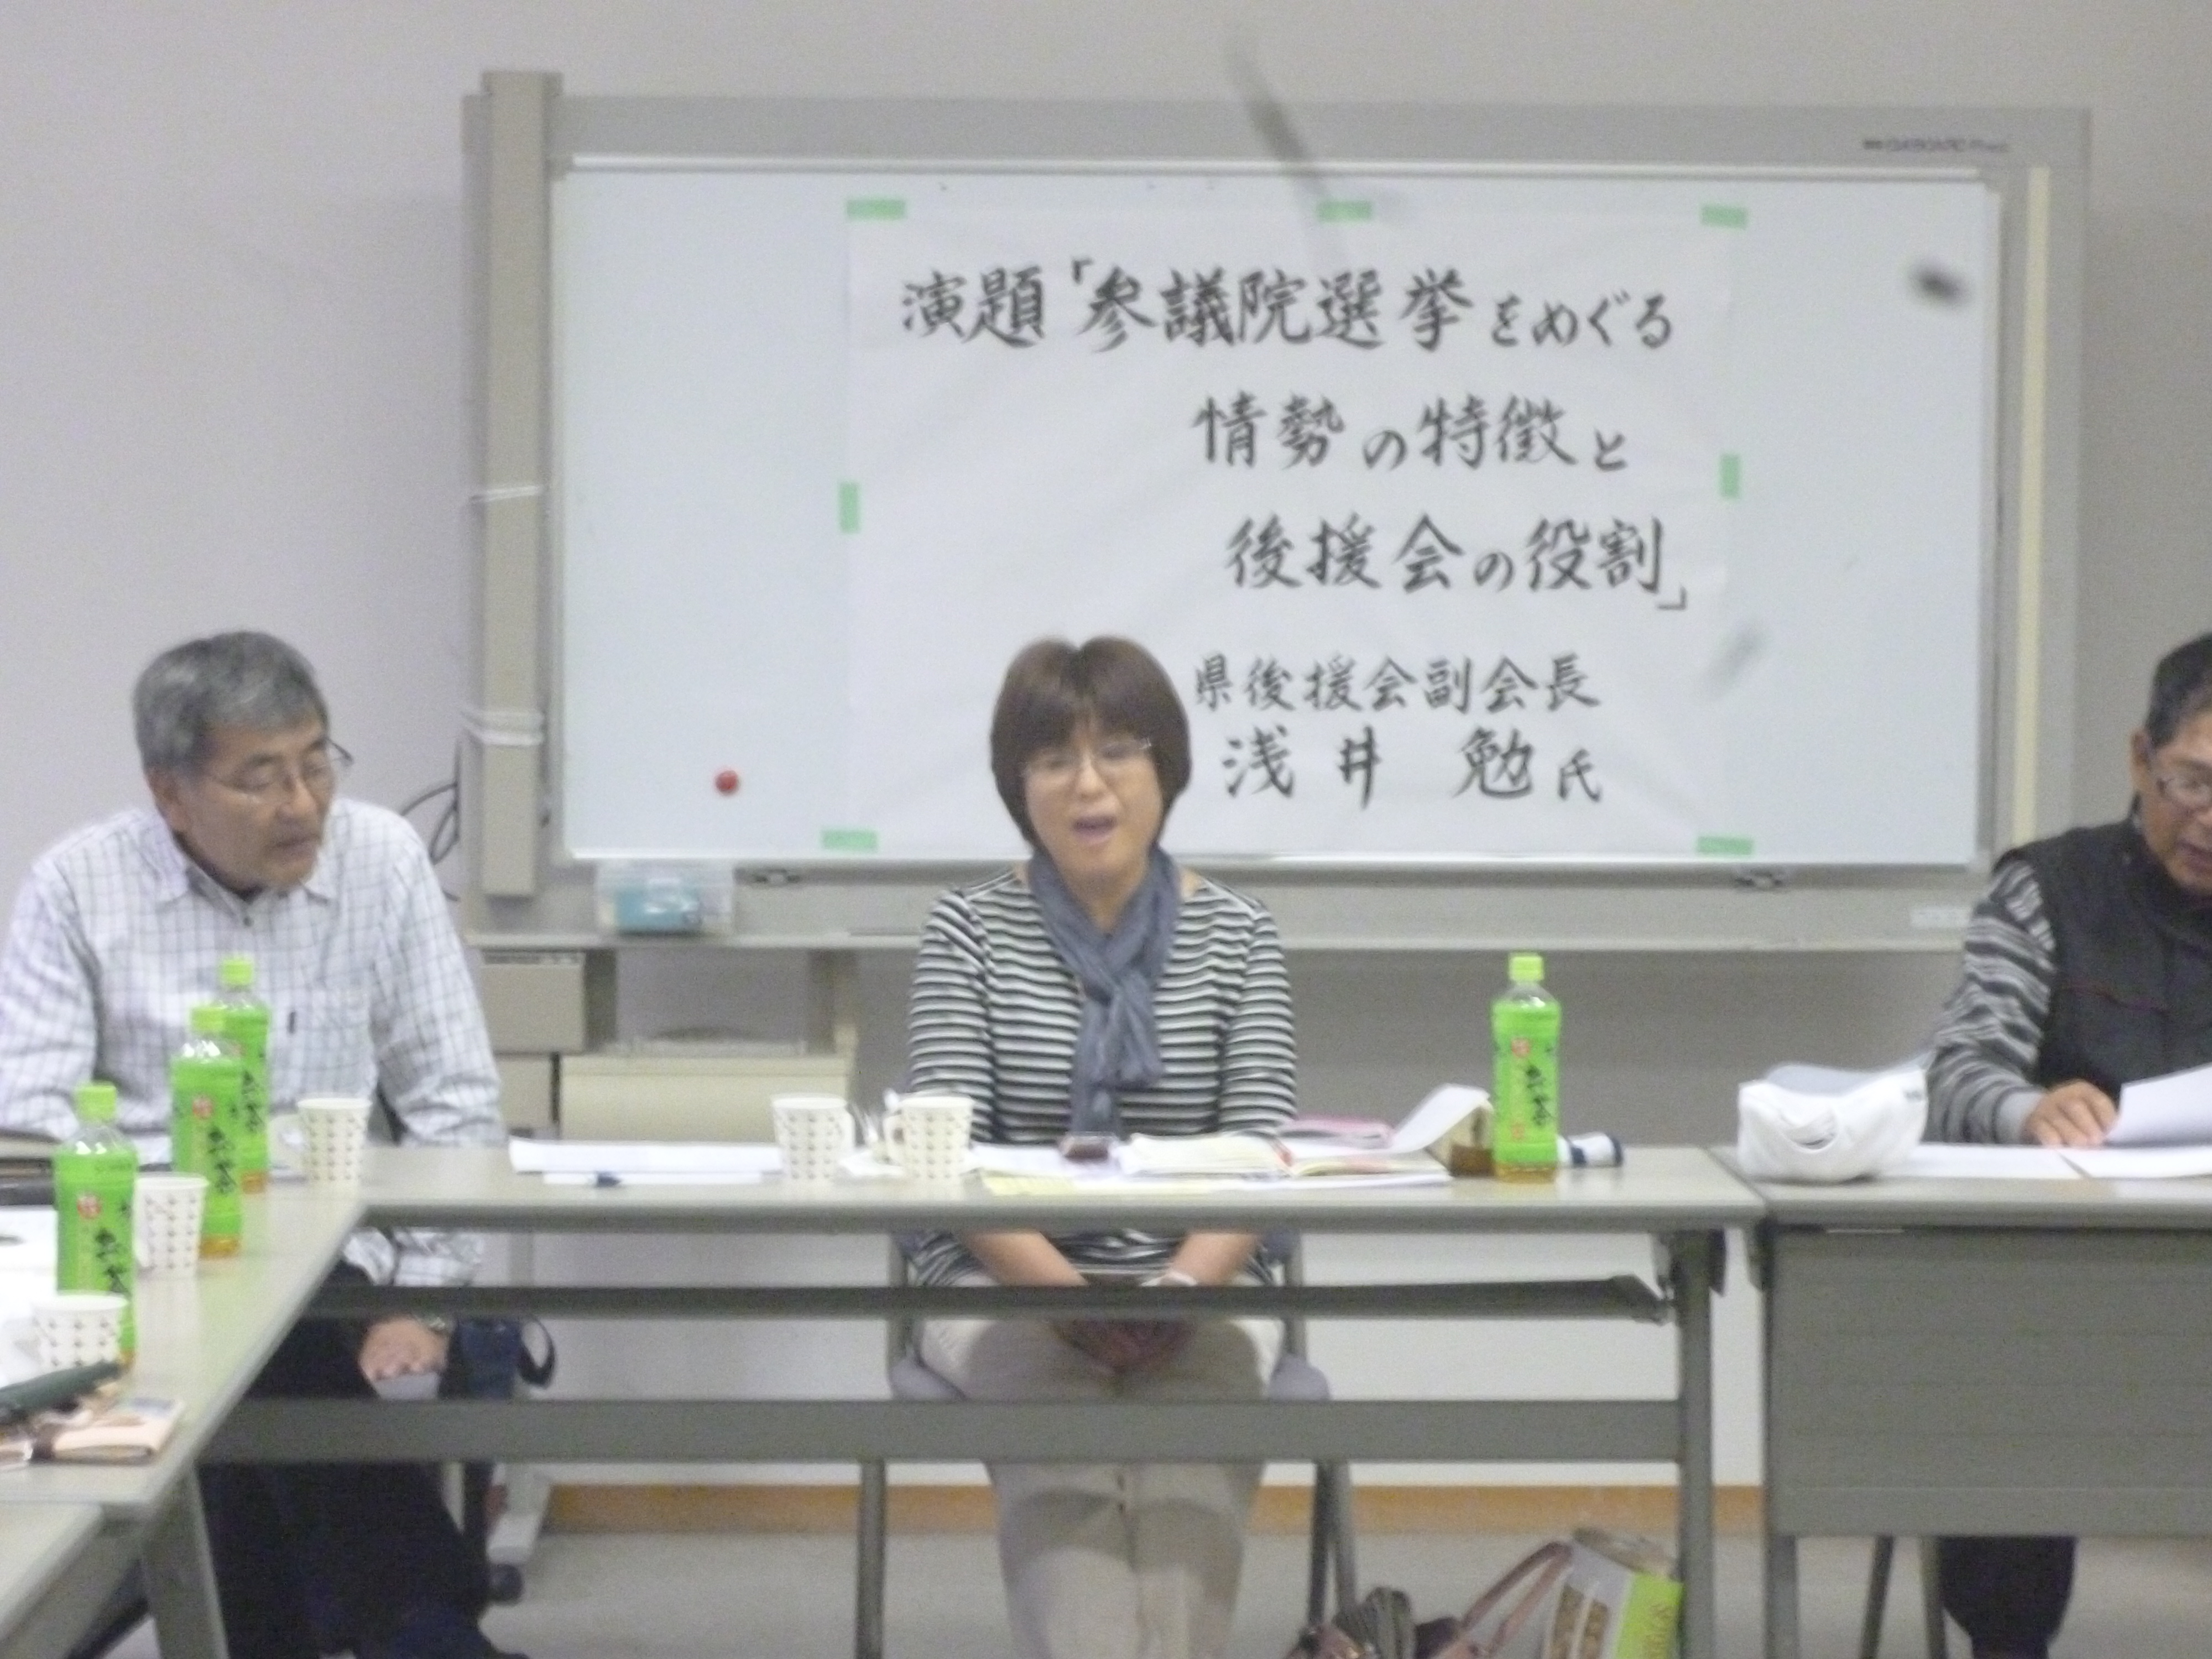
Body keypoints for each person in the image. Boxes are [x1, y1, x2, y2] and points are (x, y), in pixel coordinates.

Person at [0, 632, 516, 1659]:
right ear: (171, 793)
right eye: (262, 777)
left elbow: (455, 1102)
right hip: (151, 1272)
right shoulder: (79, 886)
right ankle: (422, 1625)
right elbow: (34, 1134)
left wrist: (421, 1303)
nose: (303, 803)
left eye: (318, 762)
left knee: (270, 1361)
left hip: (339, 1273)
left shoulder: (381, 860)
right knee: (253, 1357)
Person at [904, 637, 1297, 1659]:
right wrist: (1070, 1301)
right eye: (1053, 759)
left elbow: (1259, 1151)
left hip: (1203, 1279)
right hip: (1005, 1282)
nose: (1089, 785)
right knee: (1064, 1449)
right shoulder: (967, 932)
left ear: (1167, 767)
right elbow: (948, 1159)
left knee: (1188, 1468)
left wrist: (1179, 1291)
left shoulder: (1241, 934)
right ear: (1018, 786)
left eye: (1118, 751)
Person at [1923, 630, 2212, 1659]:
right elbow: (1960, 1069)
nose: (2211, 821)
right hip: (2055, 1291)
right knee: (2004, 1398)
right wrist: (2025, 1110)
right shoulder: (2047, 889)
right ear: (2141, 758)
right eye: (2193, 783)